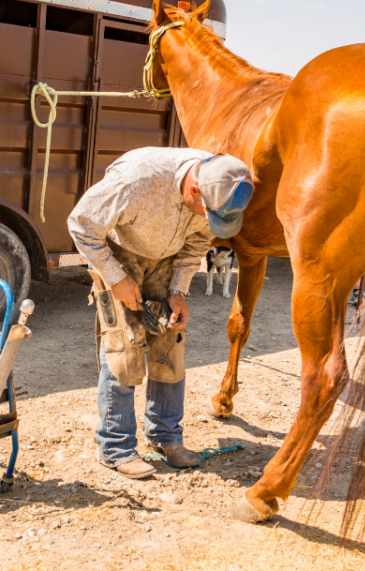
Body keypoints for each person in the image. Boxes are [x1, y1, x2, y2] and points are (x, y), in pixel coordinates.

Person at [67, 147, 253, 479]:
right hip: (121, 255)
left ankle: (166, 436)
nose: (209, 221)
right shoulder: (137, 180)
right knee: (124, 350)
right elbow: (81, 224)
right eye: (208, 212)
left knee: (170, 346)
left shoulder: (220, 181)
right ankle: (116, 447)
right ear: (193, 189)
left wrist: (178, 291)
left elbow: (197, 242)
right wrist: (117, 278)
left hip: (167, 261)